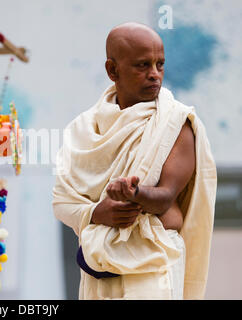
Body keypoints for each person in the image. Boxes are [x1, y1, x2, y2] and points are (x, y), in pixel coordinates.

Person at [52, 22, 217, 300]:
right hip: (98, 266)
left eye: (160, 64)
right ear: (112, 70)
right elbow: (62, 202)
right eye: (142, 65)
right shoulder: (81, 129)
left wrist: (135, 194)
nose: (155, 75)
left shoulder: (176, 121)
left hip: (153, 267)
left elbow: (165, 196)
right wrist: (96, 213)